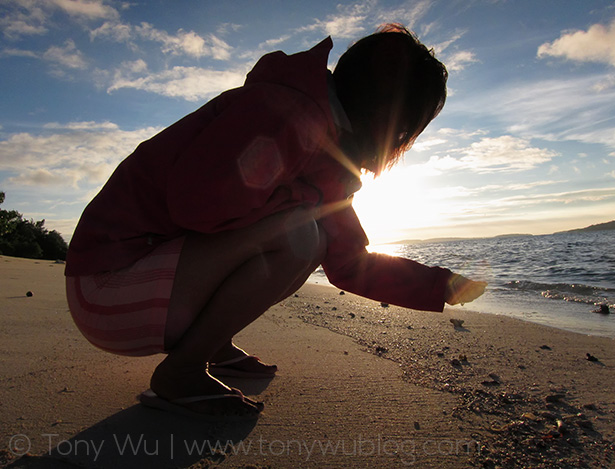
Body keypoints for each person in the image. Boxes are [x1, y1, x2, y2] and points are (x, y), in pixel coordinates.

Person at [65, 24, 486, 420]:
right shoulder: (283, 111)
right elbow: (198, 206)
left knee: (313, 235)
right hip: (106, 290)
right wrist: (310, 199)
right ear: (389, 106)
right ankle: (182, 371)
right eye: (408, 124)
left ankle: (210, 344)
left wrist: (439, 284)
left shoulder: (328, 151)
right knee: (300, 233)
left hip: (146, 288)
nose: (400, 140)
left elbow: (348, 263)